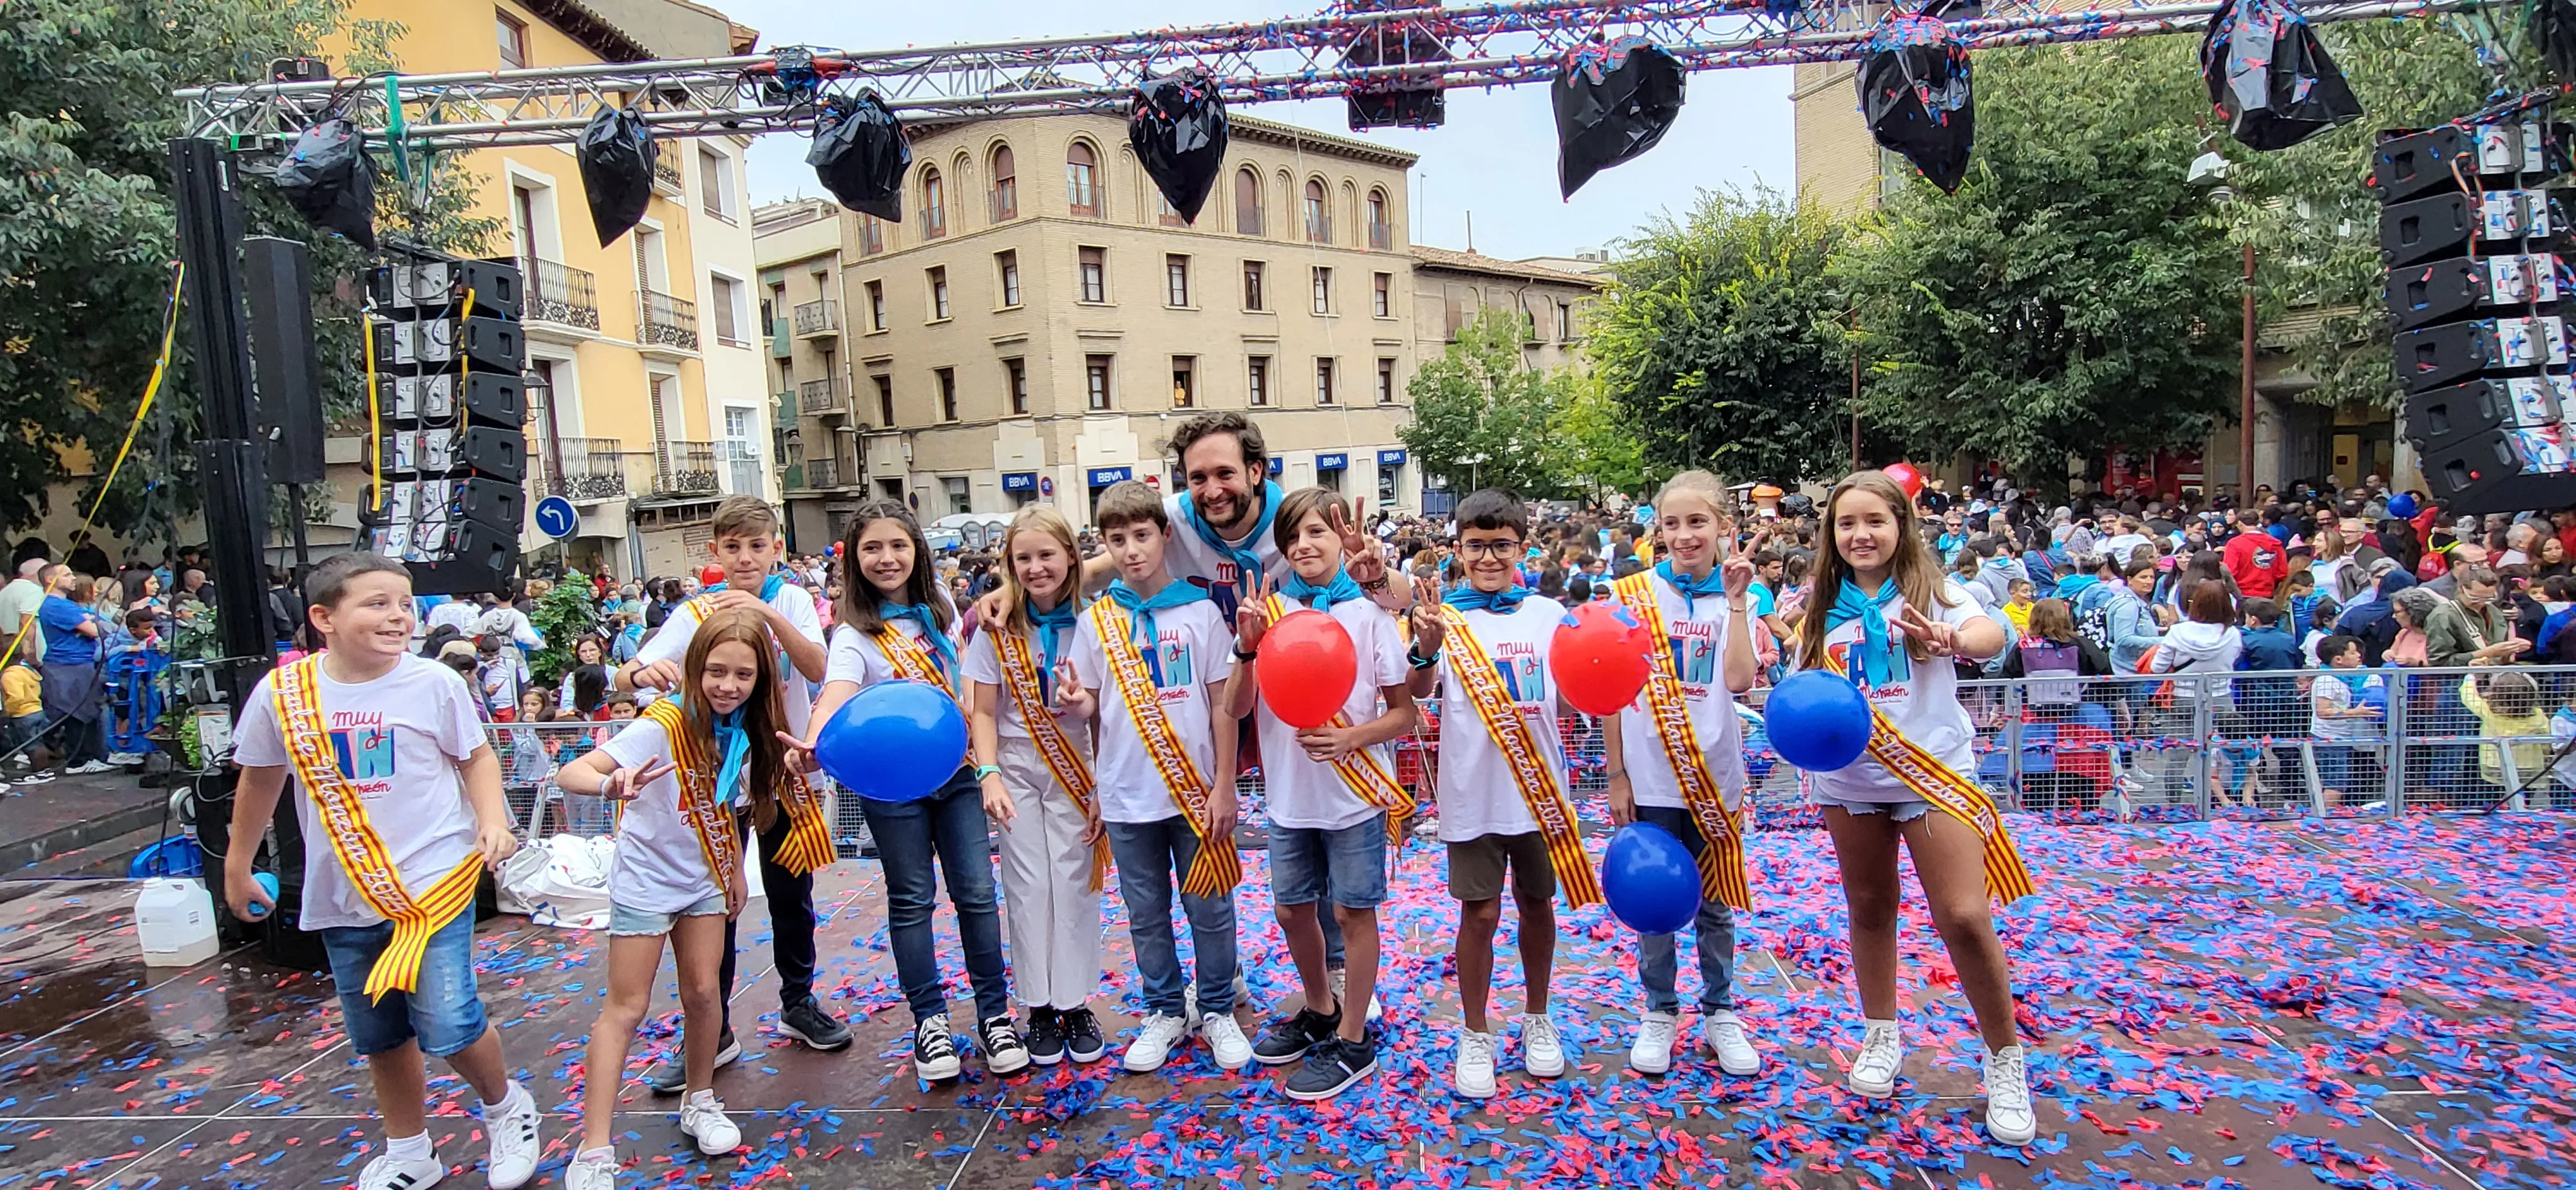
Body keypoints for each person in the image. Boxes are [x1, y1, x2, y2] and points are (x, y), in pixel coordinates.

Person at [221, 552, 540, 1190]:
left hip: (432, 885)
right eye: (376, 603)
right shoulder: (284, 695)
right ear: (323, 618)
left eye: (404, 603)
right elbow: (260, 777)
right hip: (343, 893)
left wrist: (493, 820)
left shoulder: (433, 683)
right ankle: (409, 1149)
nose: (397, 616)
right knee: (380, 1032)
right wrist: (237, 862)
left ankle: (508, 1108)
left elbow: (476, 757)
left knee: (448, 1023)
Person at [1794, 469, 2036, 1147]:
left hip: (1931, 774)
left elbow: (1991, 635)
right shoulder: (1819, 606)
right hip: (1851, 783)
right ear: (1830, 534)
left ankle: (2004, 1061)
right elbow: (1803, 691)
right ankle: (1880, 1036)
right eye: (1846, 523)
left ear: (1900, 525)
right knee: (1870, 907)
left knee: (1962, 914)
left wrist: (1955, 641)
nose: (1860, 534)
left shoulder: (1935, 592)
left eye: (1874, 520)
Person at [556, 609, 798, 1189]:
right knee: (627, 1007)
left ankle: (701, 1099)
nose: (728, 685)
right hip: (645, 882)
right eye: (716, 671)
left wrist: (735, 874)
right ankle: (593, 1148)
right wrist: (611, 783)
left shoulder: (746, 731)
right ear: (695, 669)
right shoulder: (661, 724)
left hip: (706, 881)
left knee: (703, 992)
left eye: (743, 675)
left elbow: (733, 811)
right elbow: (574, 772)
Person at [617, 496, 848, 1088]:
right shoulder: (696, 611)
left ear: (776, 549)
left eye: (757, 546)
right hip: (714, 782)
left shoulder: (792, 598)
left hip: (782, 769)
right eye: (733, 547)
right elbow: (630, 673)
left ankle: (798, 1000)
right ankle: (711, 1027)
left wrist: (765, 615)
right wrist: (643, 673)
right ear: (715, 552)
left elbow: (820, 667)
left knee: (790, 890)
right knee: (715, 900)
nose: (745, 558)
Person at [808, 501, 1022, 1080]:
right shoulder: (854, 633)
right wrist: (813, 736)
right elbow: (837, 689)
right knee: (911, 900)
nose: (886, 558)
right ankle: (930, 1021)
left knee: (977, 892)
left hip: (954, 774)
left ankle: (994, 1014)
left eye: (897, 546)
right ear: (854, 558)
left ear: (917, 552)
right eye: (872, 548)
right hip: (892, 786)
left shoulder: (943, 611)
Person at [1054, 482, 1250, 1073]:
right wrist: (1077, 704)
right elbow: (1091, 706)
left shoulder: (1199, 614)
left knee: (1210, 906)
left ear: (1165, 536)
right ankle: (1165, 1007)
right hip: (1126, 792)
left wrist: (1223, 784)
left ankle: (1216, 1007)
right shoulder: (1097, 622)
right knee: (1146, 911)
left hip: (1194, 790)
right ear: (1105, 546)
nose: (1132, 551)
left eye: (1142, 536)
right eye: (1118, 540)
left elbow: (1223, 704)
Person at [1403, 488, 1592, 1100]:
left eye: (1501, 546)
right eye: (1476, 546)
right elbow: (1419, 694)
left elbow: (1576, 697)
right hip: (1472, 792)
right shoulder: (1442, 616)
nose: (1488, 557)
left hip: (1539, 793)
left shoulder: (1549, 614)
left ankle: (1538, 1018)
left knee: (1538, 906)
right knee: (1480, 913)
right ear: (1458, 549)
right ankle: (1475, 1030)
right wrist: (1425, 648)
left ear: (1522, 548)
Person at [1233, 487, 1420, 1100]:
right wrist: (1247, 646)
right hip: (1289, 795)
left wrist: (1351, 740)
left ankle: (1353, 1035)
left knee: (1350, 913)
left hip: (1354, 796)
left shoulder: (1369, 616)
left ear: (1341, 539)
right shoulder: (1269, 612)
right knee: (1291, 910)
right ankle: (1318, 1008)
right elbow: (1237, 708)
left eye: (1317, 532)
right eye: (1293, 537)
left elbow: (1404, 715)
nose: (1304, 546)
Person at [1600, 472, 1763, 1079]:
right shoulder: (1632, 595)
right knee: (1654, 902)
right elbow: (1613, 693)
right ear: (1658, 530)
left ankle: (1720, 1009)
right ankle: (1659, 1010)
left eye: (1698, 522)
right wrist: (1617, 773)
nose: (1685, 535)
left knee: (1716, 906)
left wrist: (1740, 603)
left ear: (1723, 525)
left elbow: (1743, 680)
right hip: (1649, 776)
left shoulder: (1738, 593)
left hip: (1715, 776)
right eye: (1672, 524)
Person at [963, 505, 1110, 1068]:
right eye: (1023, 558)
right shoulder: (995, 627)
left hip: (1077, 764)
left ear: (1072, 557)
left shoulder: (1096, 622)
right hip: (1018, 766)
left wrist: (1102, 782)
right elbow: (981, 709)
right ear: (1009, 565)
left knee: (1075, 883)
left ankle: (1075, 1003)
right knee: (1027, 886)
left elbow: (1104, 712)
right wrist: (989, 772)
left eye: (1047, 555)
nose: (1036, 567)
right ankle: (1039, 1008)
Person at [37, 569, 111, 775]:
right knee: (77, 712)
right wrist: (91, 625)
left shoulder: (66, 605)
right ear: (51, 580)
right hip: (70, 665)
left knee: (85, 710)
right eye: (67, 575)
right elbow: (97, 631)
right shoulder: (57, 606)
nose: (73, 579)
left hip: (77, 662)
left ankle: (89, 756)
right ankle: (79, 761)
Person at [2309, 634, 2383, 809]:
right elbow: (2323, 711)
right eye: (2353, 653)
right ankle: (2323, 818)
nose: (2359, 655)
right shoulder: (2326, 680)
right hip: (2331, 740)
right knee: (2336, 785)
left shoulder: (2360, 677)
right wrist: (2354, 712)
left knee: (2350, 784)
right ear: (2338, 660)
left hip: (2353, 740)